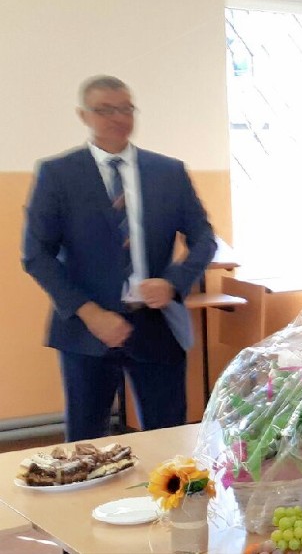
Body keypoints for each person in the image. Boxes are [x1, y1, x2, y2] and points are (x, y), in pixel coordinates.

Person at [23, 75, 216, 441]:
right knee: (87, 444)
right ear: (84, 115)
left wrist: (173, 282)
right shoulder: (58, 174)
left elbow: (204, 238)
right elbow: (36, 254)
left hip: (155, 323)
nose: (118, 118)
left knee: (168, 438)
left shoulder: (168, 172)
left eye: (126, 108)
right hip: (86, 328)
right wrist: (89, 313)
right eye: (105, 110)